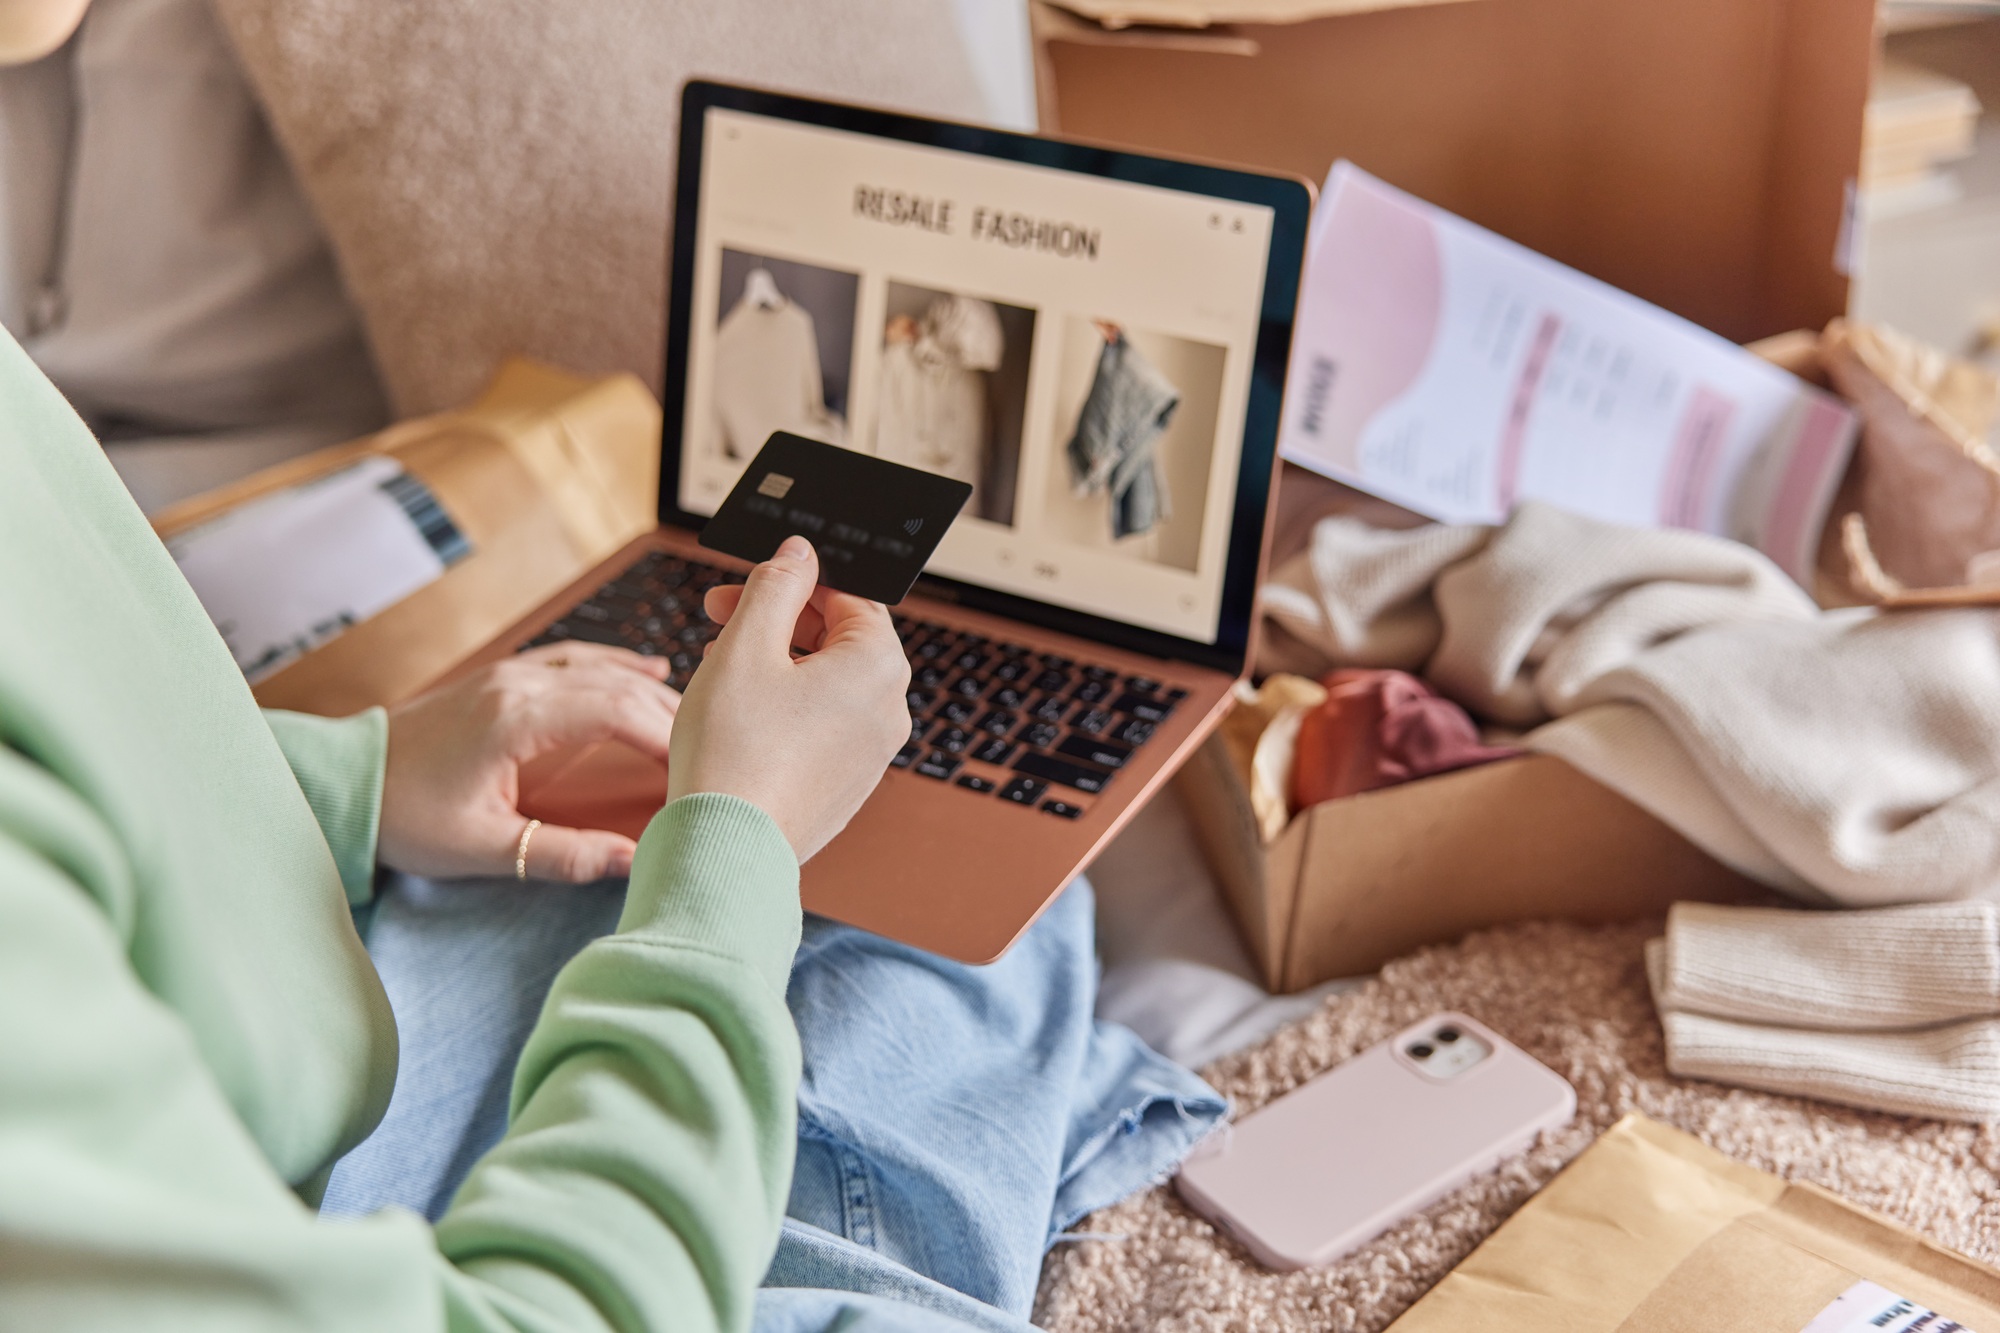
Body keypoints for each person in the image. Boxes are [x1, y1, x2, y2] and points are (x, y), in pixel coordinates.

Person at [0, 8, 1225, 1330]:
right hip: (326, 1217)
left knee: (965, 865)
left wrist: (346, 779)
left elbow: (53, 749)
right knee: (919, 941)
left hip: (257, 1006)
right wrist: (737, 845)